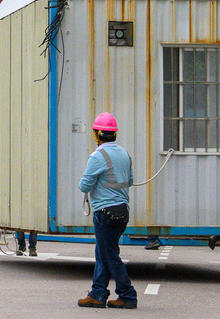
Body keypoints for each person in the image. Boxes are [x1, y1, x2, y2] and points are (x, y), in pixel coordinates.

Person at [77, 112, 139, 310]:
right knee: (103, 252)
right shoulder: (124, 154)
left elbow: (84, 186)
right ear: (115, 134)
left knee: (109, 255)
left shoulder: (98, 156)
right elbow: (129, 181)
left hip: (105, 214)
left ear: (97, 134)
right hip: (122, 212)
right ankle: (98, 294)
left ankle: (127, 295)